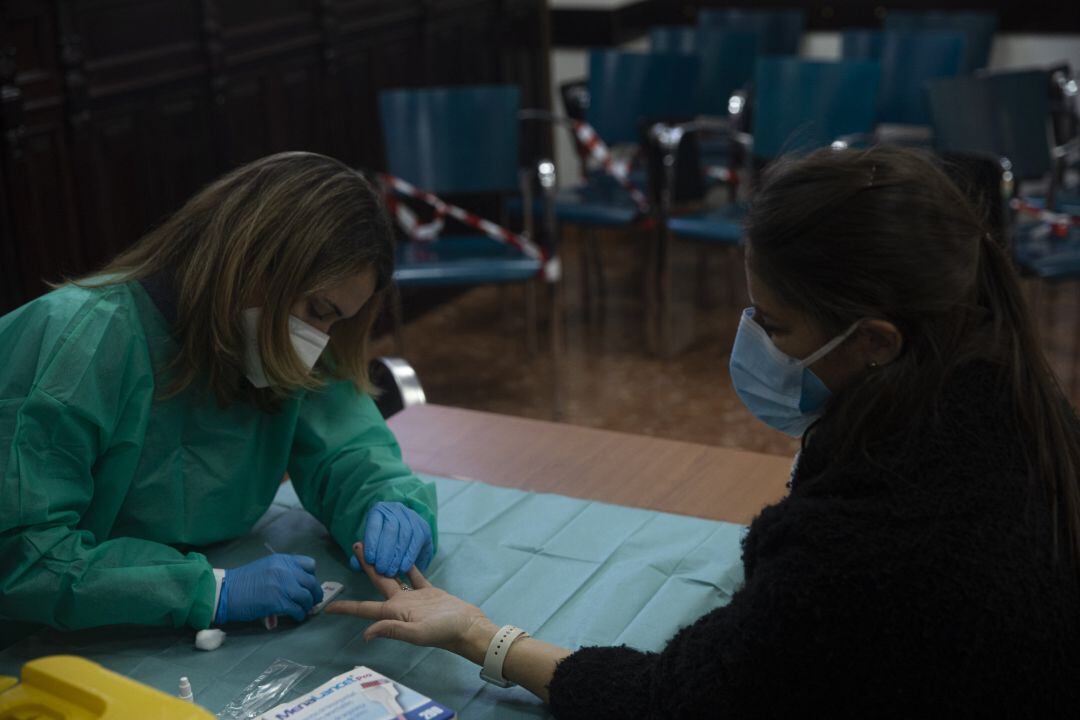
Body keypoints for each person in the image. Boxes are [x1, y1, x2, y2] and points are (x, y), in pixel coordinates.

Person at [327, 146, 1080, 717]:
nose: (753, 343)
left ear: (877, 342)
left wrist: (480, 637)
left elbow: (678, 701)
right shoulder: (1008, 394)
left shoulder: (869, 541)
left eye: (776, 324)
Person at [0, 152, 437, 632]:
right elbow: (24, 556)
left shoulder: (277, 337)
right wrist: (203, 590)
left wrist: (388, 504)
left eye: (336, 320)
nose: (319, 338)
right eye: (317, 308)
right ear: (253, 260)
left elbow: (350, 452)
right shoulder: (74, 340)